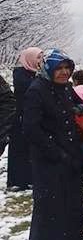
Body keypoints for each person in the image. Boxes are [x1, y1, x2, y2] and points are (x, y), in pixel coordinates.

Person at [24, 49, 83, 240]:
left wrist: (79, 109)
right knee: (50, 213)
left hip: (71, 159)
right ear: (48, 68)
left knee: (73, 209)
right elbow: (32, 128)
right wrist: (56, 153)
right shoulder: (37, 90)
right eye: (58, 68)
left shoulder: (66, 88)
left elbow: (81, 106)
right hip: (49, 163)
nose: (63, 72)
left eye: (67, 68)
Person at [8, 47, 42, 190]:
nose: (41, 61)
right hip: (21, 117)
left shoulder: (35, 75)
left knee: (30, 149)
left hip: (31, 117)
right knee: (19, 150)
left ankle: (29, 178)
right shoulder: (20, 74)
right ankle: (16, 181)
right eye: (38, 58)